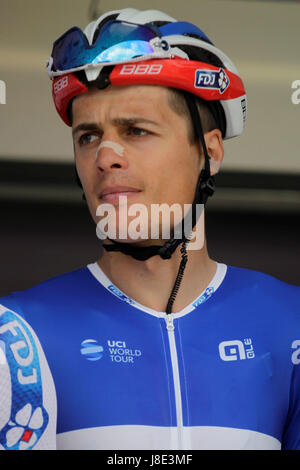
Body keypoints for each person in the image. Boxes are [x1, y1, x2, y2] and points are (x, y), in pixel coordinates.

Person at [1, 7, 300, 451]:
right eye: (88, 137)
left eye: (136, 130)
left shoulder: (291, 322)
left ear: (209, 152)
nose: (106, 155)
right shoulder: (15, 333)